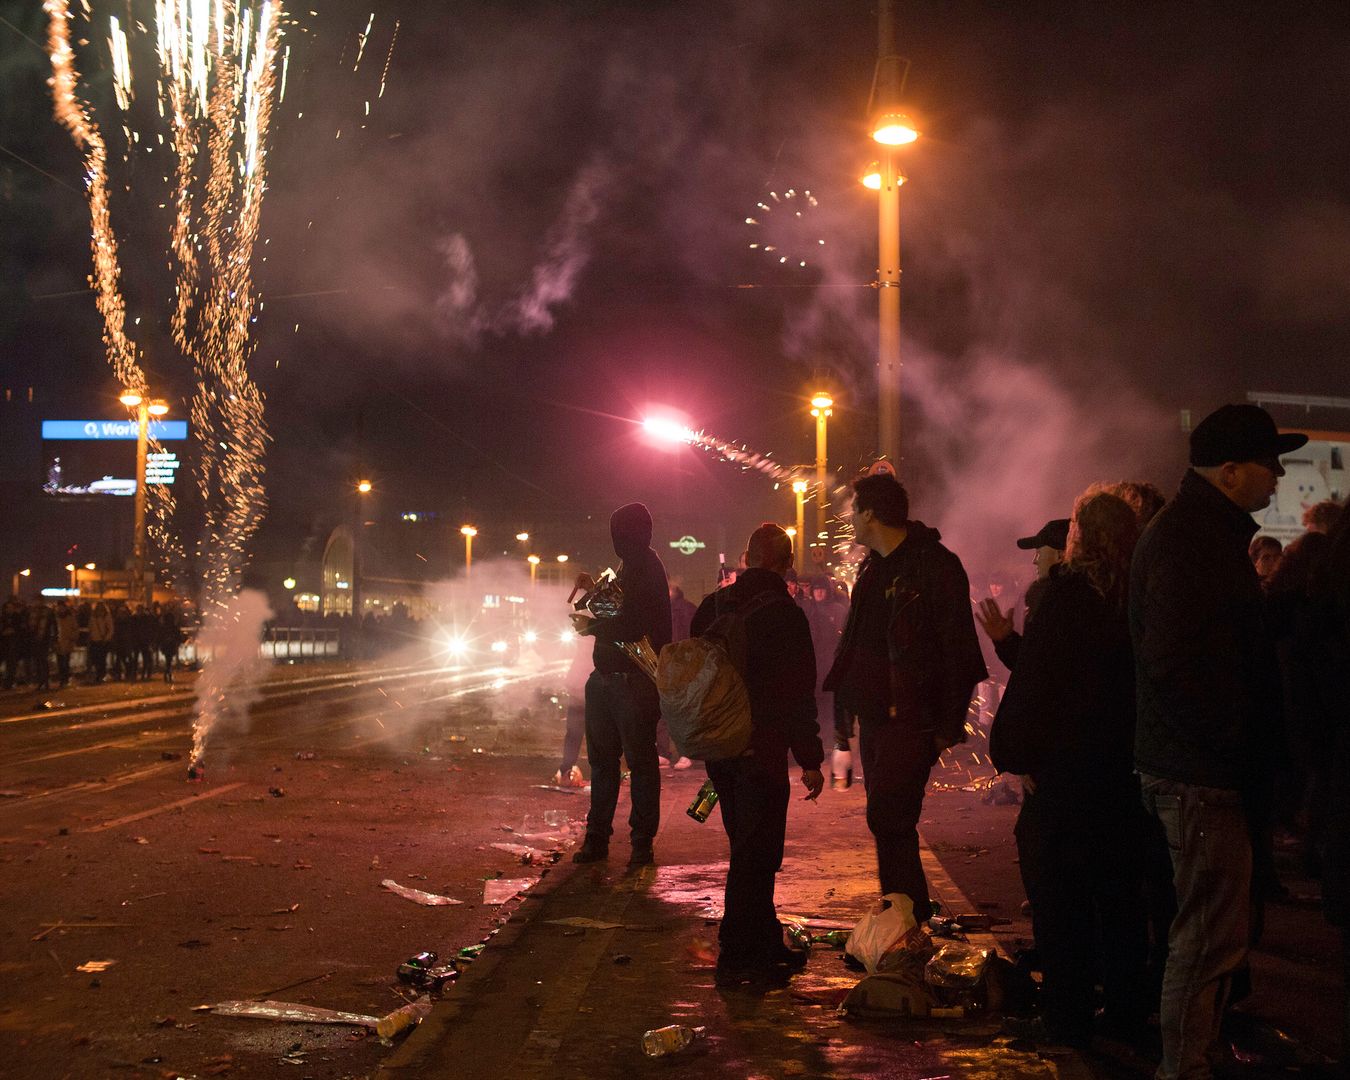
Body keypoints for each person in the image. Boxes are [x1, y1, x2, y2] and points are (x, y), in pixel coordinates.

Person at [1133, 403, 1304, 1080]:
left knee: (1209, 936)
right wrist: (1238, 746)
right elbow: (1179, 666)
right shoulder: (1189, 541)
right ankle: (1185, 1068)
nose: (1279, 476)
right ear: (1230, 471)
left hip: (1196, 766)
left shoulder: (1198, 533)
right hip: (1200, 774)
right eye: (1270, 463)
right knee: (1206, 940)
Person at [990, 491, 1149, 1046]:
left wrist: (1015, 754)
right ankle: (1127, 1011)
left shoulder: (1065, 597)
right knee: (1120, 900)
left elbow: (1039, 684)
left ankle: (1068, 1015)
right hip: (1124, 771)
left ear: (1080, 536)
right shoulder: (1138, 593)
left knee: (1061, 901)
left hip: (1066, 772)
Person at [823, 473, 987, 917]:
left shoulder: (934, 565)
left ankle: (907, 918)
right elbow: (855, 648)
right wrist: (843, 735)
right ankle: (901, 915)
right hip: (878, 719)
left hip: (913, 719)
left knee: (889, 817)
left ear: (870, 513)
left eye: (853, 510)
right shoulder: (871, 567)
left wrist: (945, 729)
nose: (849, 520)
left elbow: (959, 652)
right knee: (887, 821)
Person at [689, 523, 825, 983]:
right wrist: (810, 757)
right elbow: (797, 693)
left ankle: (759, 939)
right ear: (785, 564)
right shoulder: (785, 615)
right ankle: (741, 949)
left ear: (747, 558)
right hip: (762, 748)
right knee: (759, 850)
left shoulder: (713, 605)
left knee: (744, 843)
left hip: (721, 746)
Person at [570, 502, 672, 868]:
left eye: (620, 533)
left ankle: (640, 843)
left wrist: (590, 627)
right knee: (602, 763)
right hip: (607, 680)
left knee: (639, 764)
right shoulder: (631, 565)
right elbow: (618, 610)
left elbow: (633, 624)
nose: (616, 540)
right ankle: (598, 838)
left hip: (632, 683)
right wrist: (595, 590)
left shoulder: (647, 568)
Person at [975, 518, 1069, 671]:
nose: (1034, 560)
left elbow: (1045, 672)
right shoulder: (1049, 598)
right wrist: (1006, 640)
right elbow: (1032, 664)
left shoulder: (1063, 604)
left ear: (1060, 555)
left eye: (1039, 553)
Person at [551, 636, 590, 788]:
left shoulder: (585, 644)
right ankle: (567, 771)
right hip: (586, 691)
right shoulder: (590, 645)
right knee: (586, 734)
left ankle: (566, 771)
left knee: (574, 734)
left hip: (580, 690)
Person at [53, 599, 79, 689]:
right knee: (60, 662)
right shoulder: (55, 618)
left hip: (67, 642)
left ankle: (65, 678)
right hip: (58, 643)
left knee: (66, 661)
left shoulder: (70, 617)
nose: (60, 609)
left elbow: (75, 629)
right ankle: (62, 679)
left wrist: (71, 638)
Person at [87, 601, 114, 683]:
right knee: (95, 658)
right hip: (95, 640)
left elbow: (110, 629)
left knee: (101, 659)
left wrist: (106, 638)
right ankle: (99, 674)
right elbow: (90, 627)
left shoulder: (106, 617)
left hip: (102, 641)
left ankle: (100, 674)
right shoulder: (93, 617)